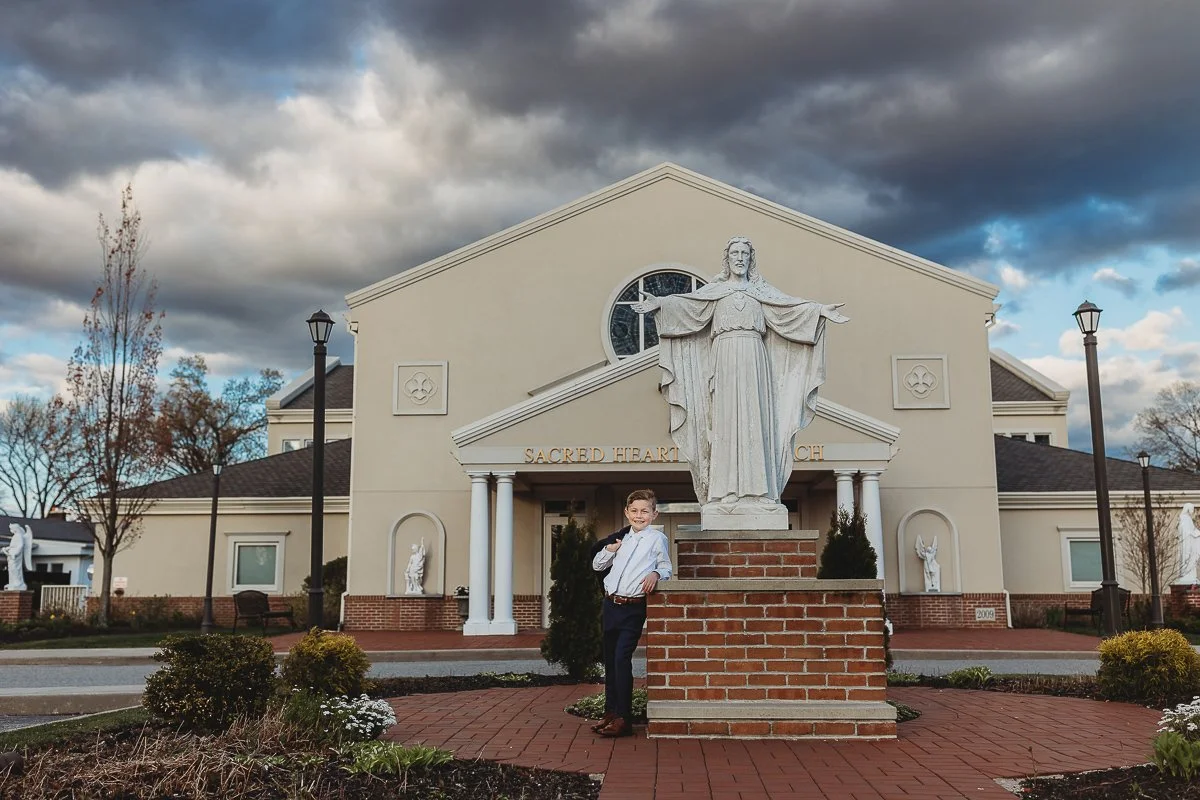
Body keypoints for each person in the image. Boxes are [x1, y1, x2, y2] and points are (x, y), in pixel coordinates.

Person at [632, 237, 848, 519]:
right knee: (726, 422)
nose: (740, 257)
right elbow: (689, 307)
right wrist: (660, 303)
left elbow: (788, 309)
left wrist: (819, 310)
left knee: (754, 422)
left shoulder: (761, 292)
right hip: (724, 358)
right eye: (735, 253)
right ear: (727, 258)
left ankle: (759, 493)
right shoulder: (716, 292)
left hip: (754, 359)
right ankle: (724, 493)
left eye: (745, 253)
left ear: (751, 258)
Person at [589, 489, 673, 738]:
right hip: (611, 605)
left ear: (654, 514)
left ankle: (623, 718)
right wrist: (610, 551)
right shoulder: (621, 539)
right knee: (611, 661)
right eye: (634, 511)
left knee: (621, 660)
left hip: (633, 608)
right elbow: (597, 565)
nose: (639, 515)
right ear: (626, 513)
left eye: (644, 511)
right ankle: (611, 712)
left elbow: (666, 566)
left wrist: (656, 574)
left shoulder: (657, 539)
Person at [1178, 504, 1200, 585]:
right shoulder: (1184, 518)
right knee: (1188, 557)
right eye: (1192, 509)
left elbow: (1193, 529)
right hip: (1187, 543)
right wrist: (1195, 534)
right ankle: (1187, 573)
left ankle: (1191, 574)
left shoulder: (1189, 519)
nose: (1193, 510)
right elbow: (1185, 531)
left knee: (1192, 559)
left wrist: (1197, 533)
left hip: (1191, 541)